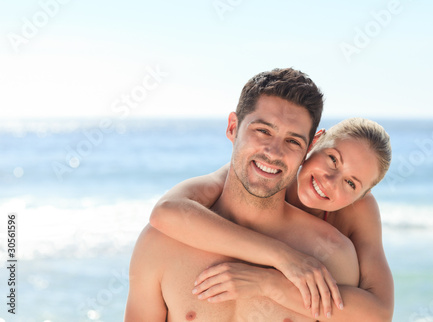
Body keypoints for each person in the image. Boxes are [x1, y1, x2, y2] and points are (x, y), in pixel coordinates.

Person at [125, 67, 363, 321]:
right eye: (263, 131)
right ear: (233, 127)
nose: (273, 152)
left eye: (293, 141)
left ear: (308, 149)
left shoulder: (331, 255)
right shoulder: (161, 243)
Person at [148, 118, 394, 320]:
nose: (330, 180)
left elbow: (379, 314)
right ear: (314, 142)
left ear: (362, 195)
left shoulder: (357, 213)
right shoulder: (264, 174)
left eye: (351, 183)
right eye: (332, 159)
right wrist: (283, 256)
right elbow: (167, 211)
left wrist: (269, 283)